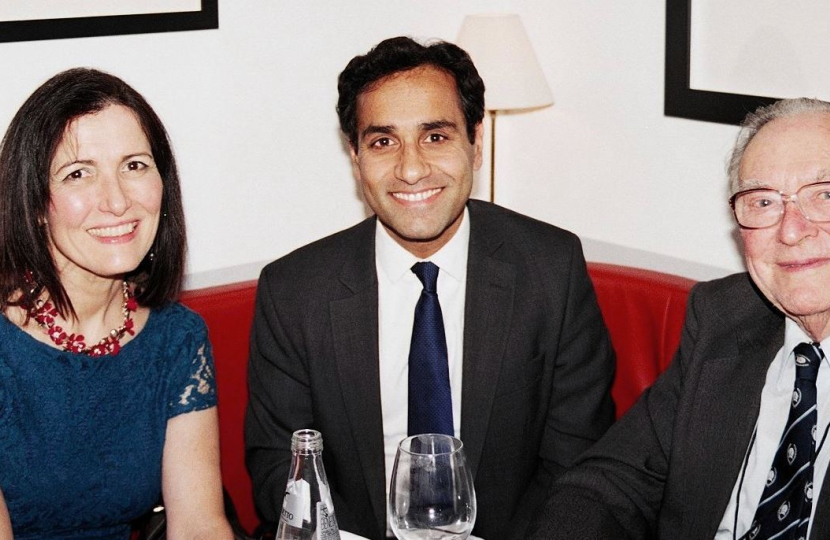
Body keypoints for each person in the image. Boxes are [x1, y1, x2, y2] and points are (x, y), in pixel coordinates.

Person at [245, 36, 615, 540]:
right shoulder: (294, 292)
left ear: (475, 142)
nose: (412, 167)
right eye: (383, 141)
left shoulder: (551, 270)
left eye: (435, 136)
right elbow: (277, 471)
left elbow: (581, 464)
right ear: (355, 157)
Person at [527, 97, 830, 540]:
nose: (790, 230)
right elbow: (610, 483)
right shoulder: (724, 316)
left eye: (824, 195)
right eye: (763, 202)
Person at [0, 68, 233, 539]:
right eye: (78, 174)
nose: (117, 201)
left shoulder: (177, 337)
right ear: (34, 205)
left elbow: (197, 524)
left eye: (134, 165)